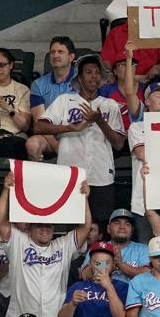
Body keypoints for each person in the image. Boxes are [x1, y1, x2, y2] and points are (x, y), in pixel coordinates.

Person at [0, 173, 92, 317]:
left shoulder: (63, 245)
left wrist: (84, 199)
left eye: (48, 226)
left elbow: (85, 227)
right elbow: (1, 220)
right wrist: (6, 190)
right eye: (39, 225)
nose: (44, 229)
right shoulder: (19, 242)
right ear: (30, 228)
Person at [33, 54, 125, 222]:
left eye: (97, 72)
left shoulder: (109, 104)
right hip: (70, 174)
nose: (94, 76)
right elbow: (39, 126)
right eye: (89, 72)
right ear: (80, 78)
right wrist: (70, 128)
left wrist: (99, 121)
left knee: (101, 226)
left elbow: (119, 144)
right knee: (71, 225)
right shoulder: (64, 101)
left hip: (101, 174)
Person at [28, 37, 78, 156]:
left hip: (77, 133)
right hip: (50, 136)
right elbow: (40, 123)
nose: (55, 55)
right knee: (32, 144)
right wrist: (56, 145)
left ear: (71, 57)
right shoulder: (38, 84)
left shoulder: (82, 79)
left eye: (60, 52)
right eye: (52, 52)